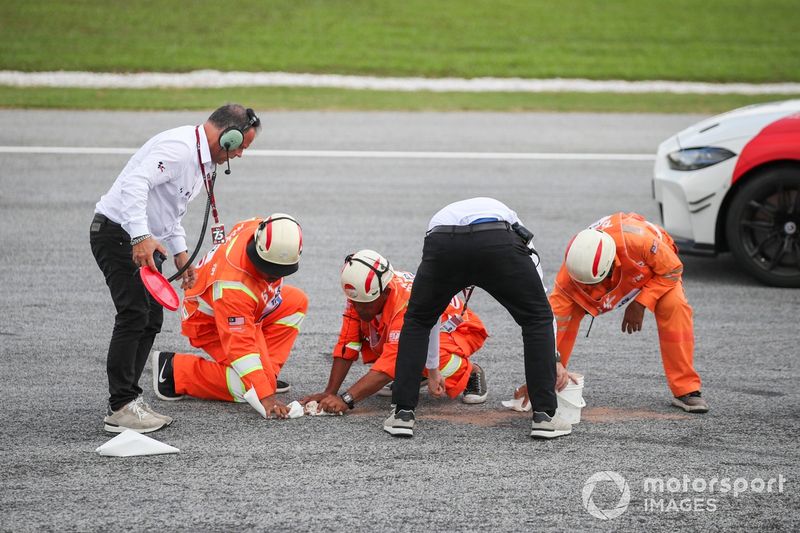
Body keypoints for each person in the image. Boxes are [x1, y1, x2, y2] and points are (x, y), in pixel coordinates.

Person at [90, 104, 261, 433]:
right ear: (229, 136)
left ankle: (128, 400)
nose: (240, 154)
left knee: (150, 318)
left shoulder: (200, 161)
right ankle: (121, 406)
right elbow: (135, 184)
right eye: (241, 146)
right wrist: (140, 237)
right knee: (134, 314)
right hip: (119, 235)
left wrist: (182, 256)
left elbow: (171, 211)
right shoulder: (180, 149)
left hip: (141, 240)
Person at [386, 197, 572, 439]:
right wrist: (552, 360)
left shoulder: (442, 218)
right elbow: (541, 312)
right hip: (497, 239)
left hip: (444, 241)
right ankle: (545, 416)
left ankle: (402, 413)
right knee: (537, 318)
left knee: (418, 320)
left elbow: (428, 320)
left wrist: (432, 369)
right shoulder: (516, 227)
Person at [541, 212, 709, 413]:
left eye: (596, 284)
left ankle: (686, 389)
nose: (593, 291)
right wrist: (546, 372)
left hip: (654, 272)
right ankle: (547, 384)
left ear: (612, 266)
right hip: (605, 273)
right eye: (586, 285)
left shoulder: (641, 242)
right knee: (561, 317)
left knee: (674, 306)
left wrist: (641, 303)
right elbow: (549, 327)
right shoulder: (571, 272)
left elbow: (672, 270)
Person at [150, 215, 307, 420]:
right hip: (209, 324)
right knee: (256, 388)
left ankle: (266, 374)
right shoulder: (233, 286)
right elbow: (240, 346)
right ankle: (175, 370)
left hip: (245, 309)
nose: (274, 276)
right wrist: (265, 395)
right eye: (269, 270)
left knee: (296, 302)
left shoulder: (259, 228)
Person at [301, 249, 489, 414]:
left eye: (364, 305)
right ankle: (416, 372)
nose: (358, 309)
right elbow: (347, 344)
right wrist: (330, 392)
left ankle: (471, 372)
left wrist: (346, 399)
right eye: (354, 303)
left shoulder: (404, 306)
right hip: (419, 328)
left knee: (420, 349)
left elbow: (389, 364)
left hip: (459, 329)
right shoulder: (365, 292)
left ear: (386, 293)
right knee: (388, 338)